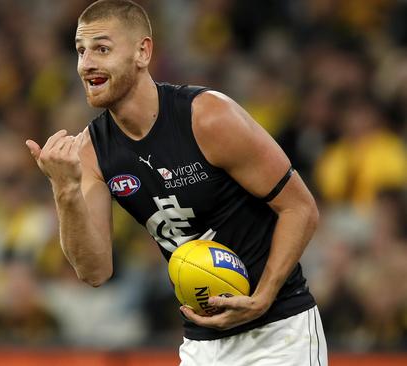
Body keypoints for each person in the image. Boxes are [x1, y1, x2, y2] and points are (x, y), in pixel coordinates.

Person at [25, 1, 327, 364]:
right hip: (201, 345)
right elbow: (94, 272)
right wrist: (66, 189)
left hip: (277, 333)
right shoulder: (91, 150)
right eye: (80, 51)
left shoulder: (207, 116)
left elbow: (300, 207)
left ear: (143, 51)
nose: (86, 63)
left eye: (102, 49)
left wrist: (263, 295)